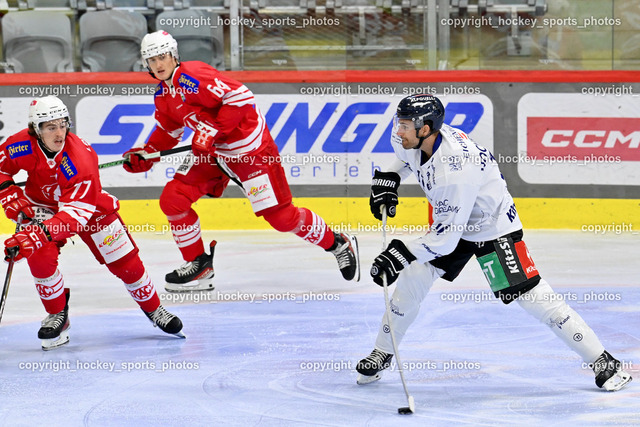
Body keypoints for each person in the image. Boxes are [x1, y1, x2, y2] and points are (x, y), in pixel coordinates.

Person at [356, 94, 632, 392]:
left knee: (533, 298)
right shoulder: (414, 137)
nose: (399, 130)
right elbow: (407, 159)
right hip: (455, 220)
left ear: (426, 128)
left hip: (492, 227)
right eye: (399, 122)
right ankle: (383, 351)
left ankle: (602, 361)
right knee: (412, 280)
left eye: (406, 125)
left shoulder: (455, 171)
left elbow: (445, 241)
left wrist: (399, 254)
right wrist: (389, 178)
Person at [122, 30, 360, 292]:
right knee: (173, 199)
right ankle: (199, 265)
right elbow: (169, 131)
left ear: (174, 55)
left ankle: (338, 243)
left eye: (163, 57)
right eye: (152, 60)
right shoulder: (163, 95)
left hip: (250, 152)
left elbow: (241, 96)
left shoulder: (192, 76)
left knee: (282, 218)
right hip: (214, 153)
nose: (158, 64)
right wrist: (148, 153)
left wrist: (213, 131)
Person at [0, 96, 184, 350]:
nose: (59, 133)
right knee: (40, 258)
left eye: (63, 124)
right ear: (36, 130)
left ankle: (155, 309)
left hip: (88, 209)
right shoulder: (20, 144)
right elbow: (1, 168)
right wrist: (9, 193)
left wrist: (33, 236)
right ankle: (57, 314)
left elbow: (74, 217)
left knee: (125, 262)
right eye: (51, 127)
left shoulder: (80, 159)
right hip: (40, 206)